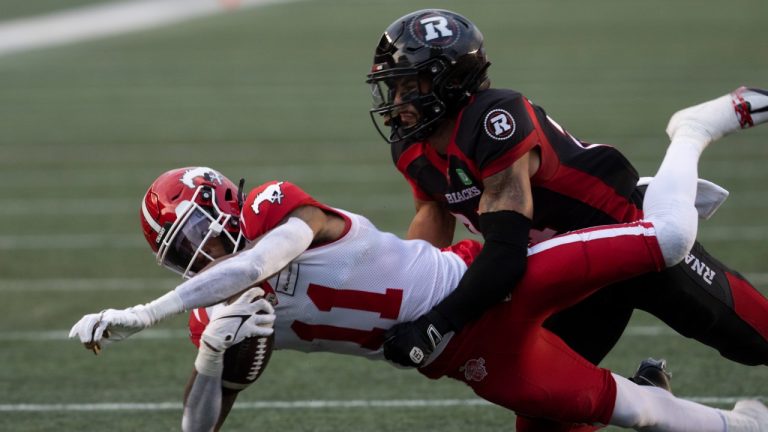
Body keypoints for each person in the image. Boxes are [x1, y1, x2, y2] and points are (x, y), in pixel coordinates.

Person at [70, 96, 768, 431]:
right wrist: (211, 364)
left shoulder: (275, 213)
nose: (195, 254)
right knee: (632, 410)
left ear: (223, 198)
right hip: (465, 355)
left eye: (195, 229)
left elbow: (268, 258)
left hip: (491, 279)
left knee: (667, 240)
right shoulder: (214, 308)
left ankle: (692, 131)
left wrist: (143, 313)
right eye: (178, 252)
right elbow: (201, 422)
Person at [365, 9, 768, 374]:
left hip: (628, 233)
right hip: (567, 271)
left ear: (451, 83)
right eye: (393, 88)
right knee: (542, 400)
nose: (396, 102)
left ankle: (691, 129)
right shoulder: (411, 146)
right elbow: (432, 216)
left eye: (408, 87)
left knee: (756, 340)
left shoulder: (494, 120)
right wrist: (403, 298)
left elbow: (505, 253)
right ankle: (649, 395)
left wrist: (437, 323)